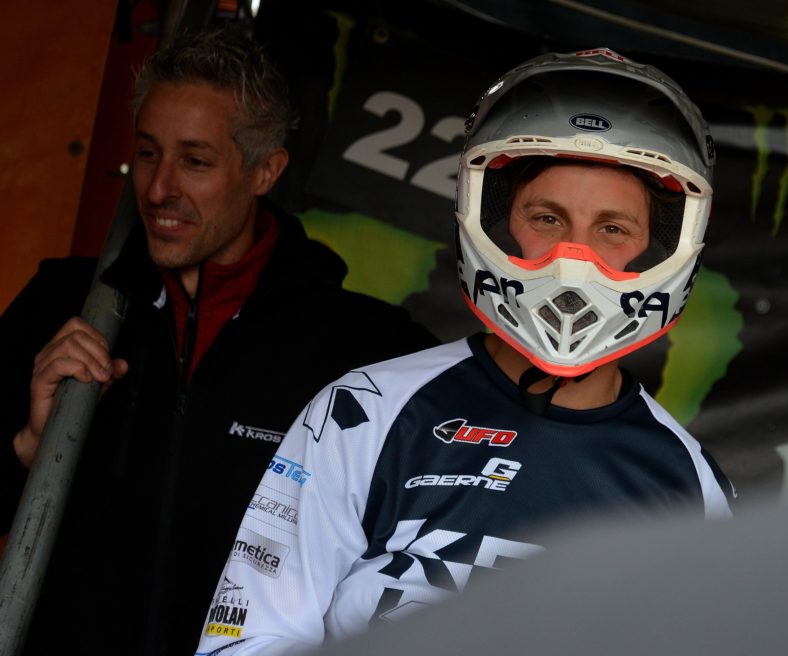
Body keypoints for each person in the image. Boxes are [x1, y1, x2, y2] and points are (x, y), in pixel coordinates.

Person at [194, 47, 732, 655]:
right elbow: (248, 639)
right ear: (497, 224)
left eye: (612, 229)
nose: (574, 261)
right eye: (547, 218)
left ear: (658, 250)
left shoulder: (689, 484)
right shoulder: (365, 412)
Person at [0, 23, 435, 656]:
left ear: (266, 171)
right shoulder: (64, 304)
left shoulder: (363, 347)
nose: (159, 189)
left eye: (195, 161)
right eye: (148, 153)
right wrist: (27, 447)